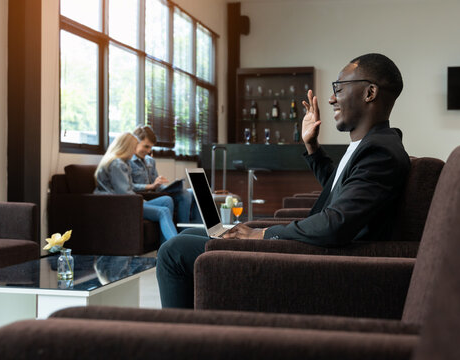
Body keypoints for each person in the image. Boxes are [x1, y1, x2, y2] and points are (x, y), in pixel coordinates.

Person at [156, 53, 411, 308]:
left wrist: (263, 233)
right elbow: (338, 190)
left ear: (369, 93)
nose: (332, 98)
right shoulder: (369, 146)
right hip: (311, 253)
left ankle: (183, 340)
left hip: (316, 266)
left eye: (339, 88)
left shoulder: (379, 152)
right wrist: (311, 146)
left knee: (174, 251)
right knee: (191, 233)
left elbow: (337, 223)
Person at [94, 132, 178, 244]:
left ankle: (164, 248)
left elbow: (128, 187)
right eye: (133, 148)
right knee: (163, 211)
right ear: (127, 148)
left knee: (167, 200)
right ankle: (175, 246)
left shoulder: (123, 163)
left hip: (128, 201)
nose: (134, 152)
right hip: (119, 204)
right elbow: (124, 193)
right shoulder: (117, 164)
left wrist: (143, 196)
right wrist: (140, 200)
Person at [130, 125, 202, 224]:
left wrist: (168, 187)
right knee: (184, 194)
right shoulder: (128, 161)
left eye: (151, 147)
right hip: (145, 197)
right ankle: (184, 229)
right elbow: (129, 187)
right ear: (135, 142)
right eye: (146, 146)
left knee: (195, 192)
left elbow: (156, 185)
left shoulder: (150, 161)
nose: (149, 151)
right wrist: (150, 186)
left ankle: (199, 229)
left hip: (156, 193)